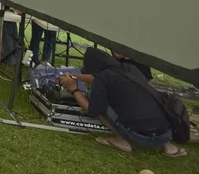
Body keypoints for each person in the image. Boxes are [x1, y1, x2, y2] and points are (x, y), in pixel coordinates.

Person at [58, 48, 186, 157]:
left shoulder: (102, 78)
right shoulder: (131, 69)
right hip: (166, 133)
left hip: (139, 136)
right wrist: (75, 77)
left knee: (97, 103)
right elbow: (97, 77)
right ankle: (169, 148)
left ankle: (122, 140)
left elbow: (92, 111)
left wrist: (73, 88)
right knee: (148, 104)